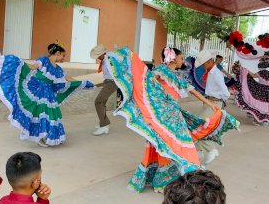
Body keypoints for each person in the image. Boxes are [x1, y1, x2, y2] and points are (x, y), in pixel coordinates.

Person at [104, 47, 239, 193]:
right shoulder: (159, 72)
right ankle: (164, 181)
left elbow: (193, 91)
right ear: (173, 58)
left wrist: (210, 104)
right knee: (165, 144)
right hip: (160, 116)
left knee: (177, 143)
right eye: (181, 58)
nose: (183, 61)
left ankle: (176, 175)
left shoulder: (179, 77)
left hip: (174, 115)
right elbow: (145, 85)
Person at [0, 43, 94, 147]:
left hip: (49, 93)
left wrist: (82, 83)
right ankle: (39, 137)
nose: (64, 58)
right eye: (63, 55)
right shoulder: (44, 60)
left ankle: (45, 136)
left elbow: (68, 79)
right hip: (38, 90)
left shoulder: (58, 69)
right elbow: (33, 67)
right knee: (38, 113)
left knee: (50, 115)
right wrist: (19, 62)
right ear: (58, 53)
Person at [194, 50, 232, 165]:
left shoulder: (216, 73)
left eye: (204, 63)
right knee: (198, 125)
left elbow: (226, 92)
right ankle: (200, 151)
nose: (203, 66)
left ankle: (211, 150)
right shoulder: (211, 72)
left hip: (214, 103)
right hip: (209, 102)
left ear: (210, 62)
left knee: (201, 126)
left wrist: (218, 100)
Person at [90, 44, 117, 136]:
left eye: (98, 56)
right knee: (102, 102)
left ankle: (104, 126)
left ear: (102, 53)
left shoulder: (110, 59)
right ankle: (103, 122)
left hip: (112, 83)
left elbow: (116, 70)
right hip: (108, 82)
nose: (97, 58)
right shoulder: (106, 58)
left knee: (98, 102)